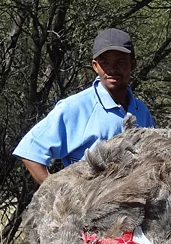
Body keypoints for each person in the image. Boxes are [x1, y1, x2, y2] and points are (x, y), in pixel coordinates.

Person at [14, 28, 155, 183]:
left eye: (121, 62)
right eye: (105, 62)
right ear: (95, 66)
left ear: (133, 64)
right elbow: (31, 150)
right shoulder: (76, 107)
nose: (112, 69)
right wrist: (56, 193)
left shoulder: (141, 111)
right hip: (88, 203)